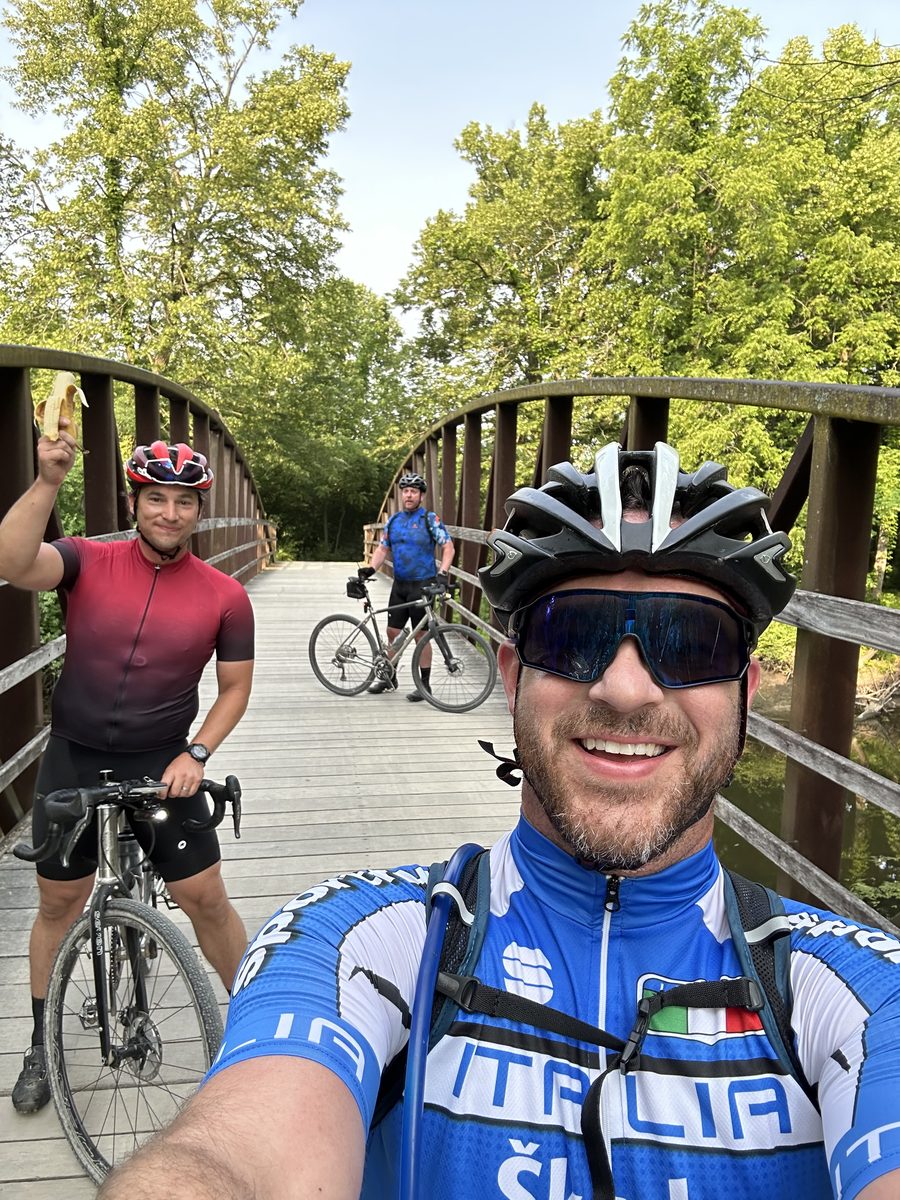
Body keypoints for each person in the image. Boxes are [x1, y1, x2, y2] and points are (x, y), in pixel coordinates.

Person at [98, 442, 900, 1200]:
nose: (626, 691)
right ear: (512, 676)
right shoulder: (366, 942)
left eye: (689, 645)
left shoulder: (854, 992)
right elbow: (231, 1156)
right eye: (575, 636)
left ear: (745, 692)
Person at [0, 430, 254, 1116]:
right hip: (75, 754)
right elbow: (12, 560)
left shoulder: (225, 595)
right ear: (135, 501)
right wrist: (49, 478)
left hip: (162, 760)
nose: (169, 514)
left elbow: (233, 688)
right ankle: (38, 1043)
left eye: (183, 502)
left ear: (199, 512)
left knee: (205, 897)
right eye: (156, 499)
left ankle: (263, 1032)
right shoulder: (87, 561)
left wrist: (196, 755)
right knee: (59, 904)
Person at [364, 471, 454, 701]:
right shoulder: (394, 521)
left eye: (414, 491)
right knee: (393, 631)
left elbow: (448, 547)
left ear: (421, 495)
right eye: (405, 491)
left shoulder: (429, 519)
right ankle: (388, 676)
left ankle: (424, 686)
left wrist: (443, 574)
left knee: (421, 635)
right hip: (400, 584)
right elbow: (383, 549)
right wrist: (370, 570)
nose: (409, 495)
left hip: (423, 584)